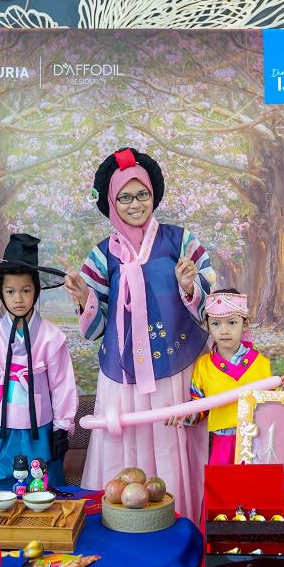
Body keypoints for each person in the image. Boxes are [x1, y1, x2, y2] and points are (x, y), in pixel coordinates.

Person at [64, 146, 216, 522]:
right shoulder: (100, 257)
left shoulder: (183, 241)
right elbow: (96, 329)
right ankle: (124, 526)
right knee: (124, 450)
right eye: (125, 197)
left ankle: (184, 525)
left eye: (142, 194)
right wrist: (86, 299)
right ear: (112, 203)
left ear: (154, 195)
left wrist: (189, 286)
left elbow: (212, 311)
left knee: (175, 442)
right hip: (123, 374)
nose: (136, 204)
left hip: (177, 367)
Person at [0, 233, 78, 493]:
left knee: (43, 488)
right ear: (0, 293)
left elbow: (62, 384)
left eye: (26, 290)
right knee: (0, 488)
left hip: (41, 429)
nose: (18, 299)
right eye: (10, 291)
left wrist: (62, 426)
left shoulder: (52, 337)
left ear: (36, 291)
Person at [184, 288, 284, 465]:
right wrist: (181, 415)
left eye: (232, 322)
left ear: (245, 324)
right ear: (207, 326)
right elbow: (200, 410)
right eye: (216, 324)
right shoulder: (203, 366)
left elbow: (273, 406)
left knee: (256, 492)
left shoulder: (261, 363)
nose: (224, 330)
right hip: (221, 447)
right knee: (223, 491)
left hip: (257, 445)